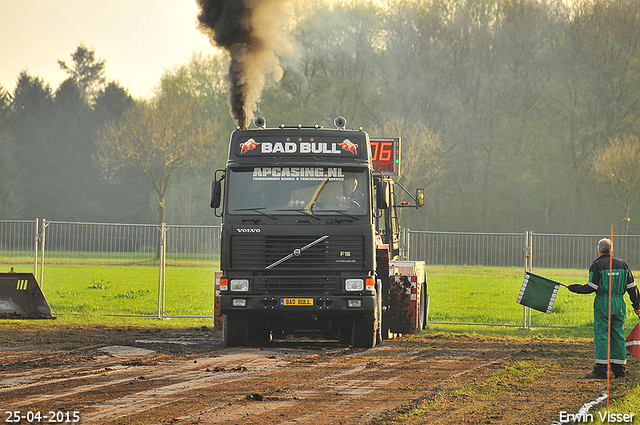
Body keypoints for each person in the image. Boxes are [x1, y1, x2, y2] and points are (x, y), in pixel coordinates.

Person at [568, 238, 640, 379]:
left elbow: (591, 287)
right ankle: (620, 370)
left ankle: (601, 370)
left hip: (603, 303)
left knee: (602, 335)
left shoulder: (597, 265)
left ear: (600, 250)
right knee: (618, 335)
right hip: (619, 303)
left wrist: (574, 288)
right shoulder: (623, 264)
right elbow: (633, 288)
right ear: (611, 250)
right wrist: (637, 306)